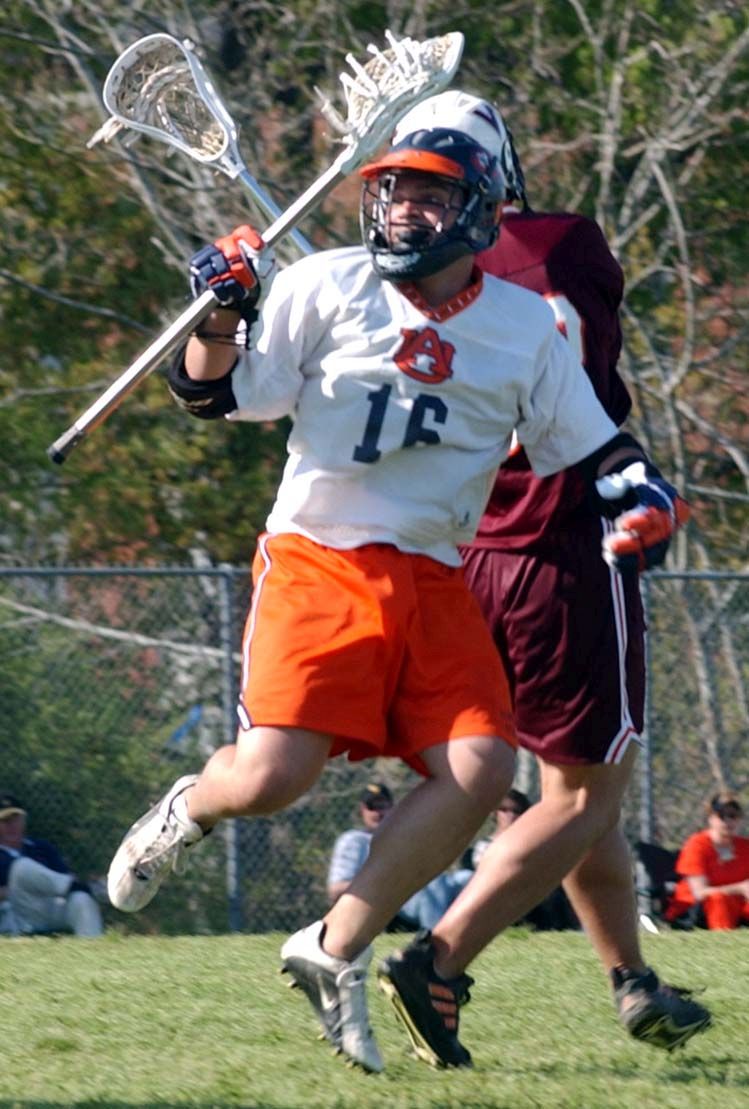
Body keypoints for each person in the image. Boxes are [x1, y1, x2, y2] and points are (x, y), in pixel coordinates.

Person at [106, 90, 689, 1073]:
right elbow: (212, 391)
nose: (405, 210)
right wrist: (223, 310)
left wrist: (644, 494)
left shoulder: (519, 325)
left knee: (480, 768)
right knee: (271, 777)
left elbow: (594, 446)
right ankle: (191, 805)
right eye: (394, 191)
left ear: (482, 210)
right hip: (318, 557)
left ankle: (332, 947)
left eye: (431, 194)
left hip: (434, 572)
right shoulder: (324, 283)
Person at [376, 90, 710, 1068]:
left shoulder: (394, 283)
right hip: (565, 550)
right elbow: (586, 384)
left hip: (459, 556)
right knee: (581, 796)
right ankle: (438, 960)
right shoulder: (561, 245)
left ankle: (629, 975)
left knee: (572, 792)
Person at [328, 782, 473, 930]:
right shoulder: (354, 840)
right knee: (424, 889)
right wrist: (383, 882)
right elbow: (336, 890)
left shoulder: (405, 836)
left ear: (392, 808)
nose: (378, 813)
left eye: (382, 806)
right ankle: (436, 937)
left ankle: (474, 932)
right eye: (372, 807)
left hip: (427, 887)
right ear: (363, 810)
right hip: (387, 899)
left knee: (467, 878)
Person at [468, 790, 578, 932]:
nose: (510, 815)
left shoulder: (535, 843)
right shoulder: (484, 846)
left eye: (516, 811)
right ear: (495, 813)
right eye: (504, 810)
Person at [0, 794, 103, 938]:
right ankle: (89, 887)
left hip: (50, 905)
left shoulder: (41, 847)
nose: (12, 825)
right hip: (15, 913)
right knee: (21, 867)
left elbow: (64, 874)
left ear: (24, 820)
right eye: (5, 821)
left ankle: (92, 947)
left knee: (81, 898)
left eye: (16, 819)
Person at [665, 793, 749, 930]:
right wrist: (740, 888)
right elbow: (700, 892)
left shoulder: (745, 847)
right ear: (711, 817)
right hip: (697, 909)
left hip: (736, 905)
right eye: (722, 816)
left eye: (733, 816)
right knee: (719, 899)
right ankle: (722, 940)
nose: (728, 821)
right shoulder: (697, 845)